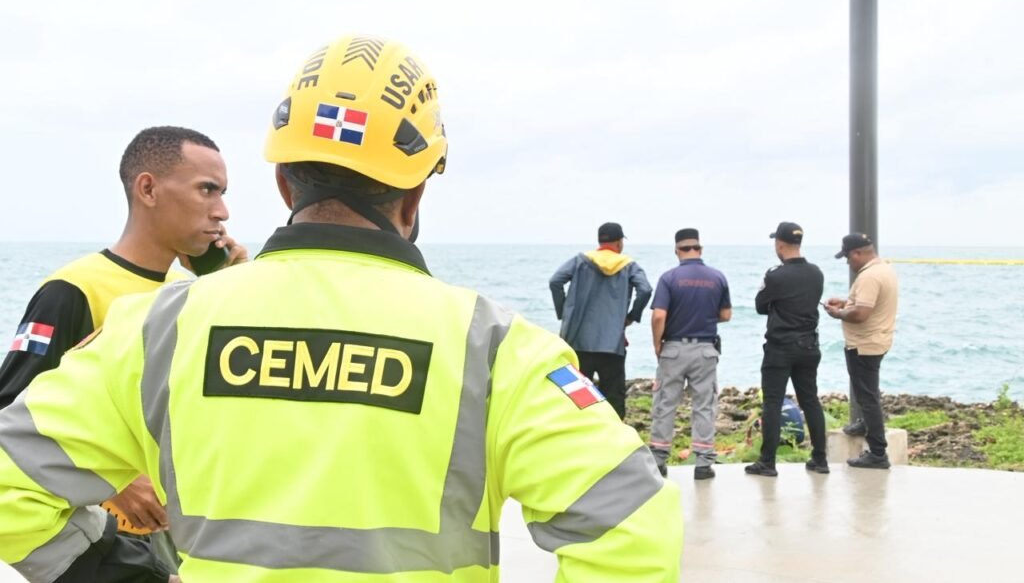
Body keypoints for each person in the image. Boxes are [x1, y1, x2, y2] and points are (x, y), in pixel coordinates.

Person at [0, 35, 683, 582]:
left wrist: (126, 572)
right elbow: (633, 521)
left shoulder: (159, 329)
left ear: (283, 181)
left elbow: (10, 486)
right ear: (415, 195)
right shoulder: (494, 348)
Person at [0, 126, 246, 581]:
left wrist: (232, 285)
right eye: (206, 190)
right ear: (148, 189)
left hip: (183, 535)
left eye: (223, 193)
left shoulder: (188, 295)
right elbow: (11, 411)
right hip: (103, 540)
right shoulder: (72, 289)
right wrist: (121, 484)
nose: (222, 211)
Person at [745, 222, 828, 477]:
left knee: (772, 402)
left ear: (779, 245)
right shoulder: (816, 273)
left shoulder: (775, 275)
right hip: (809, 346)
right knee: (810, 400)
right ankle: (820, 459)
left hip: (780, 347)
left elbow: (760, 306)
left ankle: (768, 462)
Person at [648, 228, 731, 480]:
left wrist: (657, 344)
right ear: (700, 249)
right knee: (704, 405)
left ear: (677, 250)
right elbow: (726, 315)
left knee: (665, 403)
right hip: (705, 349)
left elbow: (658, 316)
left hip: (674, 348)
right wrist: (703, 317)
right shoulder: (717, 277)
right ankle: (703, 463)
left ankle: (659, 460)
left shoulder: (669, 278)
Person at [549, 222, 652, 418]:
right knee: (613, 396)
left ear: (600, 241)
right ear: (619, 242)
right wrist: (632, 316)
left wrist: (564, 312)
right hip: (612, 345)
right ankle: (614, 432)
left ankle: (577, 429)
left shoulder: (580, 261)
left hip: (578, 341)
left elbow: (555, 281)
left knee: (576, 396)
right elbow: (645, 290)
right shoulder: (628, 265)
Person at [824, 232, 899, 470]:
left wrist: (838, 313)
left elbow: (860, 314)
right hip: (877, 340)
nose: (848, 262)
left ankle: (877, 452)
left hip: (865, 344)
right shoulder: (883, 269)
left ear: (857, 253)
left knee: (867, 397)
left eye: (847, 257)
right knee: (866, 392)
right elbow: (865, 305)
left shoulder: (869, 276)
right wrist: (846, 303)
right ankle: (865, 424)